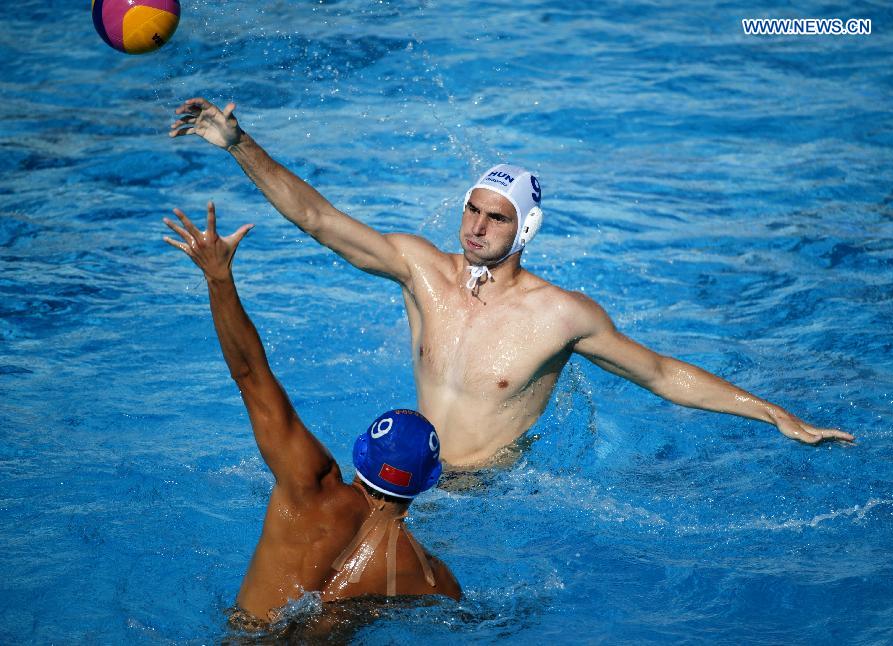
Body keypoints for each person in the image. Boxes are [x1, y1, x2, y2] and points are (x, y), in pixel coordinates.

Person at [169, 99, 855, 467]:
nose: (474, 226)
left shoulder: (559, 316)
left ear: (523, 231)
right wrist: (240, 146)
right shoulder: (420, 270)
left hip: (488, 495)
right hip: (408, 479)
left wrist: (772, 412)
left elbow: (661, 374)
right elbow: (318, 219)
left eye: (495, 218)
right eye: (471, 209)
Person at [162, 203, 461, 625]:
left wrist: (218, 276)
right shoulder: (428, 577)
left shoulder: (311, 485)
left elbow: (249, 374)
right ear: (428, 483)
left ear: (360, 456)